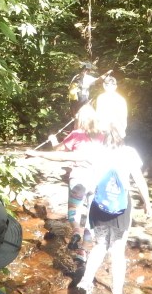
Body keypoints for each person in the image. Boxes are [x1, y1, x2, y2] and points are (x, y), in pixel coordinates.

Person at [77, 143, 152, 294]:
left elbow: (89, 179)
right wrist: (147, 203)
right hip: (120, 207)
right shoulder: (129, 152)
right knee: (117, 251)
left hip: (100, 205)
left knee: (100, 245)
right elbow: (139, 179)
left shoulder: (97, 149)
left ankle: (86, 281)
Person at [28, 104, 106, 260]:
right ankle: (83, 251)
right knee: (90, 217)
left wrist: (53, 140)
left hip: (79, 178)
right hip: (97, 180)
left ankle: (76, 231)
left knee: (73, 213)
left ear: (80, 119)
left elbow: (59, 151)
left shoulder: (76, 135)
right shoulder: (101, 136)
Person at [94, 74, 127, 146]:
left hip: (109, 132)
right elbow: (124, 118)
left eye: (111, 85)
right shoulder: (121, 99)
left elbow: (98, 116)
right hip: (111, 132)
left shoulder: (101, 98)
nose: (109, 87)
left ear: (115, 86)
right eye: (107, 85)